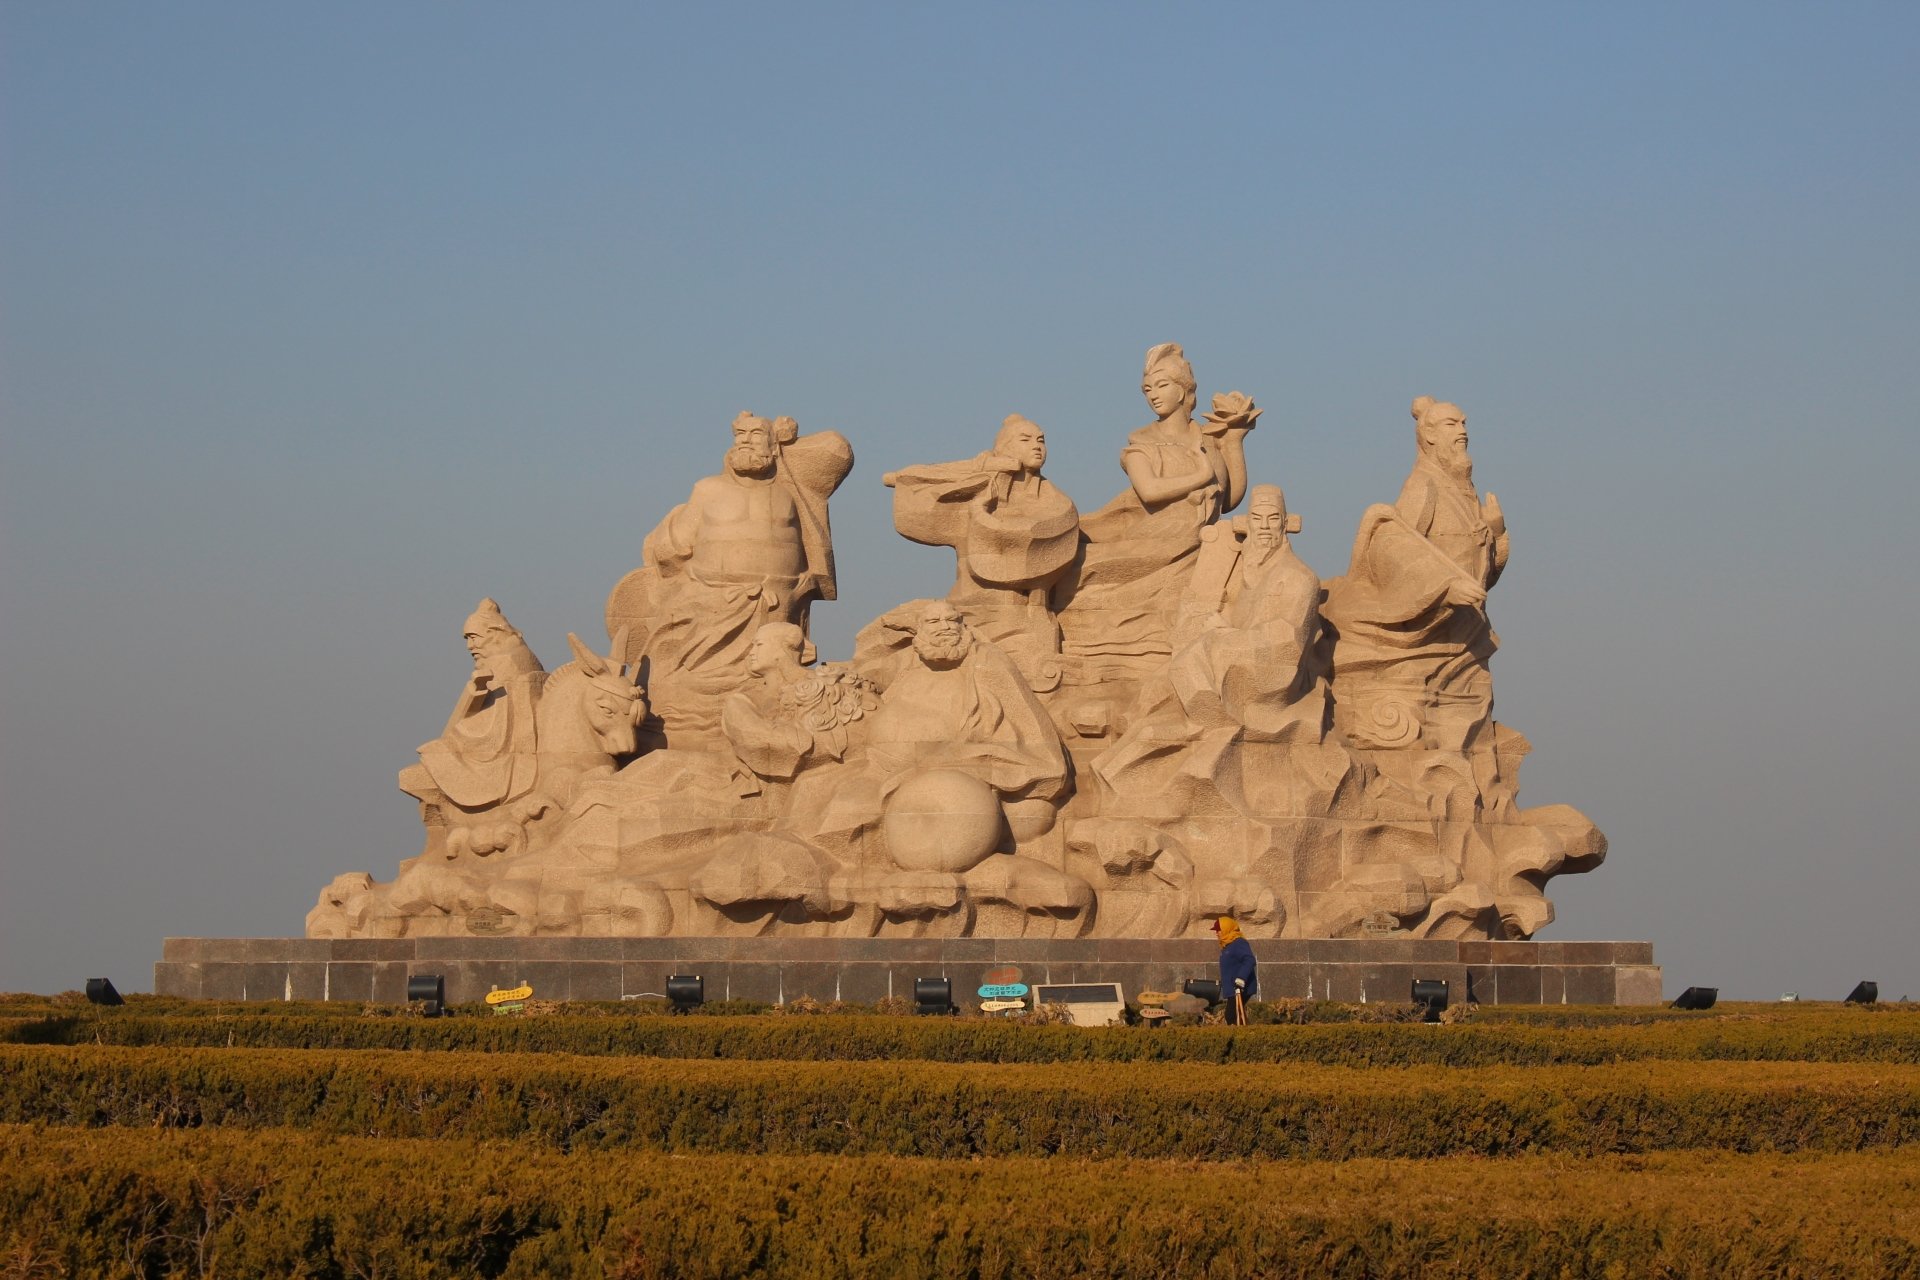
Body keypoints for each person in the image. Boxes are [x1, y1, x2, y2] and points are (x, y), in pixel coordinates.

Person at [1212, 915, 1258, 1024]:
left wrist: (1241, 978)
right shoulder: (1227, 945)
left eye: (1218, 930)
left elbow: (1249, 960)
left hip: (1240, 987)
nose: (1216, 933)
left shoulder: (1239, 942)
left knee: (1231, 1016)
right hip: (1233, 988)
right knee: (1235, 1017)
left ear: (1226, 928)